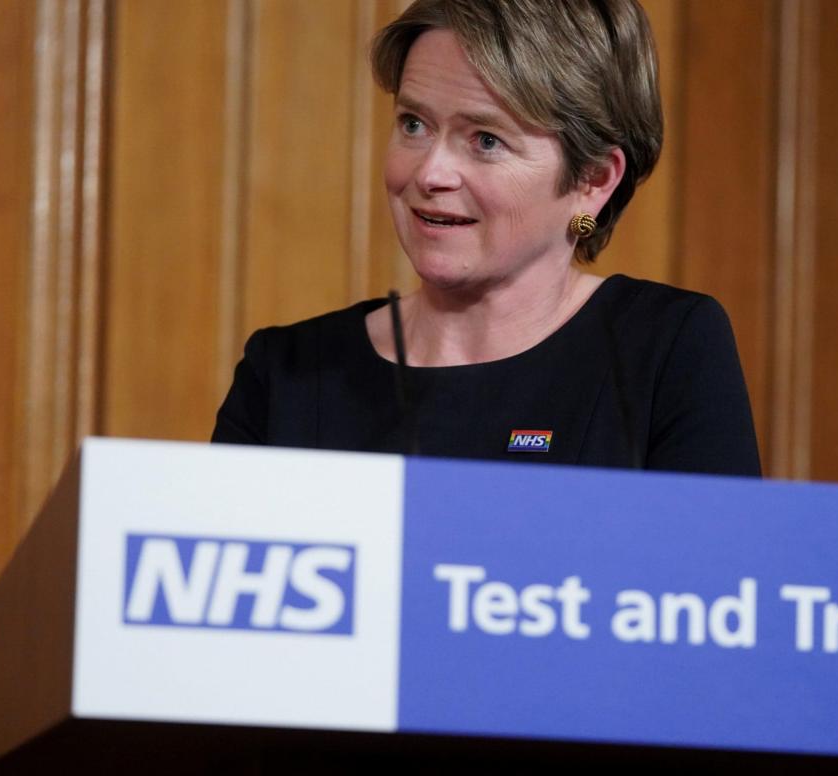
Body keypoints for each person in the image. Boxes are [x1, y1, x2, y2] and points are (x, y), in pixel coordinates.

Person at [212, 0, 761, 477]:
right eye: (413, 124)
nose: (431, 173)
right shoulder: (285, 374)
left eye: (486, 140)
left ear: (594, 179)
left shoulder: (665, 350)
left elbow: (714, 584)